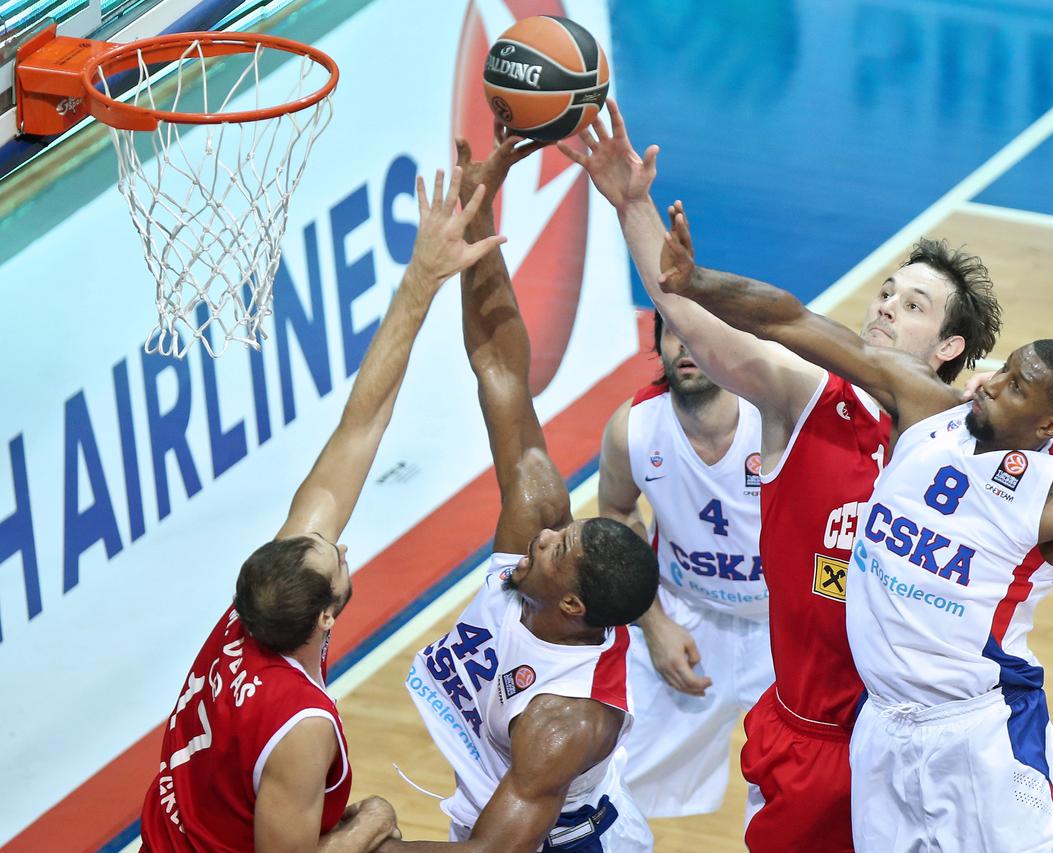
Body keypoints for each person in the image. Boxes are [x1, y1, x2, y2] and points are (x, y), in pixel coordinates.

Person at [559, 99, 1053, 851]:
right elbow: (703, 327)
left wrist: (1028, 413)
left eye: (914, 304)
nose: (887, 305)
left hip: (933, 744)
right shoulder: (804, 395)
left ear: (950, 348)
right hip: (813, 736)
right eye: (887, 291)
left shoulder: (989, 453)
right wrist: (632, 208)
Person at [654, 209, 1053, 852]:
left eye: (1015, 388)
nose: (990, 384)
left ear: (1050, 427)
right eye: (1004, 369)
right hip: (881, 731)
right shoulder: (924, 407)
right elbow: (791, 321)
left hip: (981, 742)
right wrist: (695, 282)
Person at [139, 167, 507, 851]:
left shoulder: (261, 609)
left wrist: (421, 280)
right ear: (327, 616)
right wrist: (372, 820)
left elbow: (360, 426)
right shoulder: (301, 723)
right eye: (335, 561)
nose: (339, 545)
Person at [389, 130, 658, 852]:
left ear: (571, 605)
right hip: (498, 810)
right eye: (562, 532)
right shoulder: (537, 533)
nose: (541, 537)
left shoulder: (564, 719)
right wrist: (479, 217)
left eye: (556, 552)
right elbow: (501, 370)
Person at [597, 309, 773, 818]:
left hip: (782, 626)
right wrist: (652, 623)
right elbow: (616, 512)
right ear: (658, 345)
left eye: (698, 332)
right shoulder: (633, 428)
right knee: (611, 783)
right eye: (673, 333)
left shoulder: (775, 416)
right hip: (683, 618)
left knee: (797, 791)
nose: (685, 344)